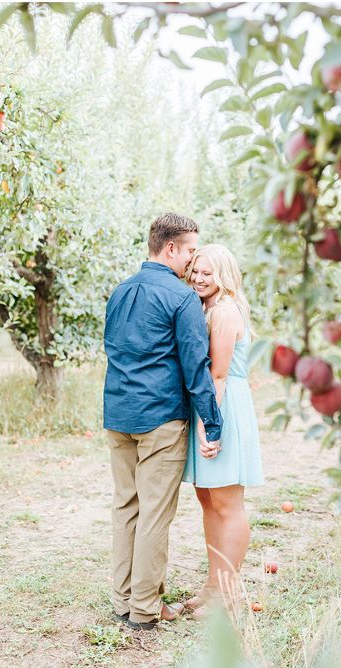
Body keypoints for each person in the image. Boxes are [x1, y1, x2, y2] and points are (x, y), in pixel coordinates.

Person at [103, 213, 223, 631]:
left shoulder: (119, 292)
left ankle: (123, 599)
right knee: (155, 513)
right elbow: (196, 366)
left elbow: (114, 351)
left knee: (126, 507)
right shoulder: (181, 297)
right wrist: (213, 421)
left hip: (118, 414)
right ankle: (144, 608)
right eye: (191, 250)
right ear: (170, 248)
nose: (194, 259)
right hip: (160, 418)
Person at [182, 243, 264, 617]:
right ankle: (212, 586)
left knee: (228, 504)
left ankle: (228, 594)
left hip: (222, 405)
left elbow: (218, 374)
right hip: (209, 403)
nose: (199, 277)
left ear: (224, 275)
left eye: (207, 272)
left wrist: (207, 424)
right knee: (208, 501)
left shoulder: (226, 310)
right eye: (196, 270)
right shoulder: (205, 307)